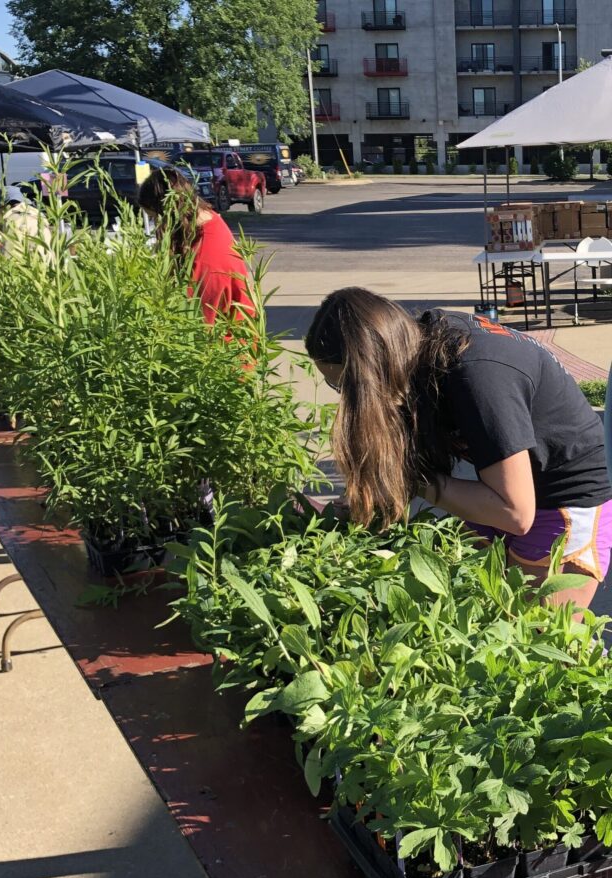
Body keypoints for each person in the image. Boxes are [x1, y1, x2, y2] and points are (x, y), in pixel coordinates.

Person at [305, 287, 612, 610]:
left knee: (535, 639)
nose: (343, 397)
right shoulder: (419, 343)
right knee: (483, 621)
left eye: (343, 386)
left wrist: (407, 481)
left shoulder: (477, 375)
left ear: (373, 367)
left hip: (563, 503)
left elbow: (515, 513)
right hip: (505, 487)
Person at [138, 167, 254, 325]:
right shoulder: (209, 220)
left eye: (155, 218)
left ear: (169, 213)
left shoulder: (205, 256)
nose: (156, 226)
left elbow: (196, 322)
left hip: (225, 343)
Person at [0, 184, 52, 257]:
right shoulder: (39, 216)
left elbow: (9, 254)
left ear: (6, 206)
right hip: (47, 264)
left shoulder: (11, 221)